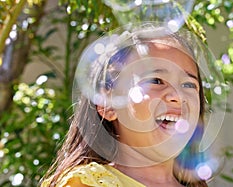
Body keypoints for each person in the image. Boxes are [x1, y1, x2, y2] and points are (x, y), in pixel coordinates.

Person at [41, 23, 214, 187]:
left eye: (188, 84)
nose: (177, 96)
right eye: (156, 80)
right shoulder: (87, 182)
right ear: (108, 105)